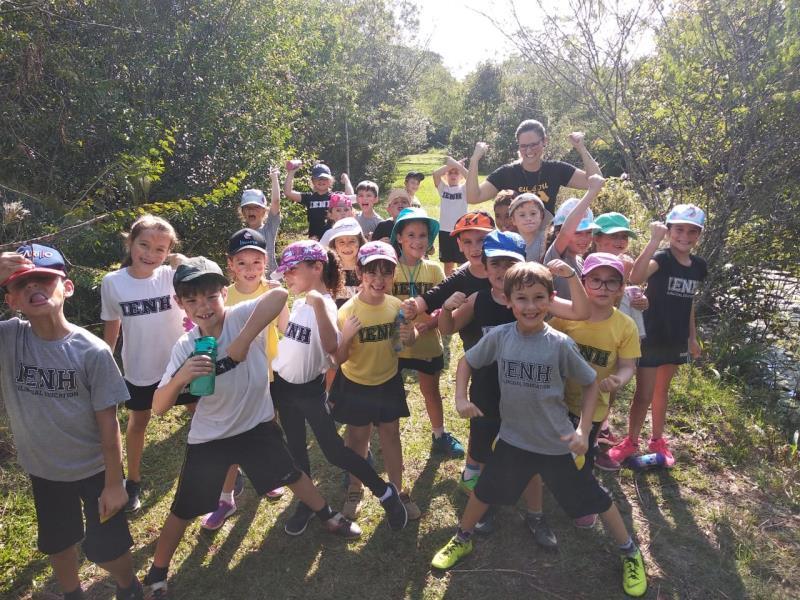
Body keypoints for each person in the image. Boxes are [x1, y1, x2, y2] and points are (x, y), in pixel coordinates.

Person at [143, 257, 361, 599]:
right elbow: (158, 406)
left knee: (291, 474)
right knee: (184, 507)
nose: (204, 306)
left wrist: (243, 340)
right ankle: (157, 571)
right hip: (210, 437)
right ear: (180, 304)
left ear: (222, 294)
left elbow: (277, 297)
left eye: (211, 296)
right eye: (192, 300)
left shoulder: (241, 315)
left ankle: (328, 515)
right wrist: (183, 376)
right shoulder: (185, 347)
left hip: (256, 427)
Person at [430, 262, 648, 598]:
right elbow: (466, 362)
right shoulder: (500, 337)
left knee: (595, 499)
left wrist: (583, 428)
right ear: (508, 301)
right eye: (522, 298)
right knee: (483, 491)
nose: (530, 306)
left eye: (538, 298)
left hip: (556, 443)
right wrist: (460, 396)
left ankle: (630, 552)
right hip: (514, 440)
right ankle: (462, 538)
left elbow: (591, 384)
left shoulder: (560, 343)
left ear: (549, 300)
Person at [1, 245, 144, 600]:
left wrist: (115, 484)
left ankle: (128, 587)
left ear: (67, 287)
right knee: (58, 540)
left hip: (94, 470)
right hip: (44, 470)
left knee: (109, 547)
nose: (35, 288)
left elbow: (109, 428)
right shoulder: (8, 339)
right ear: (11, 300)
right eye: (23, 284)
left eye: (45, 280)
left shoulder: (91, 351)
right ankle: (72, 593)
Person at [270, 240, 408, 534]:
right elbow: (288, 334)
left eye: (293, 270)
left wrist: (320, 304)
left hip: (309, 389)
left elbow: (333, 349)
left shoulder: (326, 305)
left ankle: (385, 493)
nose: (288, 276)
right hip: (283, 389)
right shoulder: (299, 302)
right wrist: (277, 302)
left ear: (317, 267)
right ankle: (307, 504)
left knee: (335, 451)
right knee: (296, 451)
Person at [101, 215, 194, 513]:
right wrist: (106, 361)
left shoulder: (172, 275)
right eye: (144, 245)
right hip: (140, 367)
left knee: (201, 412)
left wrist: (183, 262)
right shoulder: (113, 282)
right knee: (138, 423)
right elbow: (112, 324)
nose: (150, 254)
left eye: (161, 249)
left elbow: (204, 281)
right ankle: (134, 481)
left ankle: (223, 469)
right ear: (130, 242)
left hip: (181, 363)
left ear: (169, 251)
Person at [199, 229, 287, 531]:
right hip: (233, 378)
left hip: (267, 374)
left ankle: (268, 478)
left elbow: (284, 327)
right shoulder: (224, 296)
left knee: (265, 428)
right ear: (230, 265)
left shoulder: (273, 291)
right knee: (232, 436)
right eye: (242, 263)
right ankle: (225, 497)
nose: (250, 269)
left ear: (266, 261)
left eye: (257, 261)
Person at [609, 205, 707, 468]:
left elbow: (689, 304)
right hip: (651, 336)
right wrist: (654, 241)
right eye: (679, 230)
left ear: (699, 234)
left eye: (692, 231)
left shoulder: (698, 266)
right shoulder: (662, 259)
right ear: (670, 230)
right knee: (643, 393)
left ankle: (656, 440)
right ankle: (630, 440)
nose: (684, 236)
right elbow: (636, 276)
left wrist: (692, 337)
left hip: (676, 339)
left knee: (662, 392)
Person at [329, 241, 421, 521]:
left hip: (388, 381)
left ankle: (398, 490)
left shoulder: (395, 307)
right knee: (357, 437)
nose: (379, 280)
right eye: (372, 272)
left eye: (386, 273)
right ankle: (355, 488)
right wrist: (345, 336)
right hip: (356, 384)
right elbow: (339, 359)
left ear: (394, 275)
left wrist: (411, 333)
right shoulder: (347, 312)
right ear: (359, 272)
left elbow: (405, 341)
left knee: (391, 435)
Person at [548, 253, 641, 521]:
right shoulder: (568, 316)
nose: (603, 288)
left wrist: (619, 380)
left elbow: (627, 365)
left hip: (594, 407)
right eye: (596, 281)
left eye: (611, 282)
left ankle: (580, 500)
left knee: (582, 457)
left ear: (621, 288)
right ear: (584, 282)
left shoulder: (625, 326)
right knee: (552, 446)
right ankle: (547, 481)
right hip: (558, 398)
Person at [390, 208, 464, 457]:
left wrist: (430, 324)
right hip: (394, 345)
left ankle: (439, 434)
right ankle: (386, 433)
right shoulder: (389, 269)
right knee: (389, 392)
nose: (417, 240)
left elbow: (443, 305)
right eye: (410, 234)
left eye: (422, 235)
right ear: (399, 237)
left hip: (427, 343)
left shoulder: (434, 270)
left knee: (430, 390)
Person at [466, 127, 602, 214]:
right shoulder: (507, 173)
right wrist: (474, 160)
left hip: (547, 241)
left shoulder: (556, 169)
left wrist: (581, 148)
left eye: (534, 144)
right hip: (517, 243)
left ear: (544, 141)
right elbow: (473, 197)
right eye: (523, 146)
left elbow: (596, 182)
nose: (529, 150)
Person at [543, 175, 605, 300]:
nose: (585, 238)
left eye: (588, 232)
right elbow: (566, 232)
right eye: (577, 233)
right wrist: (592, 192)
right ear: (557, 233)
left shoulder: (580, 261)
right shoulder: (555, 257)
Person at [432, 156, 480, 276]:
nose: (453, 175)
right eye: (450, 173)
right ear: (446, 175)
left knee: (462, 263)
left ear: (461, 176)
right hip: (444, 231)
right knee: (448, 264)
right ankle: (448, 287)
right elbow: (436, 174)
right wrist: (452, 165)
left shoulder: (464, 189)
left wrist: (457, 165)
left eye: (456, 173)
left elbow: (471, 177)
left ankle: (463, 285)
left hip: (460, 230)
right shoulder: (443, 189)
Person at [284, 161, 354, 240]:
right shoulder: (309, 197)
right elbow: (288, 193)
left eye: (324, 178)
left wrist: (346, 180)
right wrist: (291, 173)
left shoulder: (335, 197)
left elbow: (350, 198)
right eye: (318, 178)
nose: (321, 181)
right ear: (313, 181)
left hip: (333, 239)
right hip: (315, 240)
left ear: (330, 181)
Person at [238, 167, 281, 274]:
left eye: (256, 207)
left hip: (270, 281)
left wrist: (274, 178)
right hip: (250, 281)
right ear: (243, 212)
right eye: (248, 207)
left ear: (264, 211)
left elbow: (276, 202)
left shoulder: (269, 229)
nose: (252, 210)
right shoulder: (240, 236)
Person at [323, 217, 366, 308]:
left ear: (360, 242)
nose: (346, 246)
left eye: (352, 241)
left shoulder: (368, 269)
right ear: (334, 245)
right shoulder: (328, 270)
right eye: (341, 242)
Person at [508, 192, 553, 263]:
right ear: (513, 220)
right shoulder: (510, 242)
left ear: (541, 216)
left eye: (533, 213)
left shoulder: (546, 240)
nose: (528, 218)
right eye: (522, 215)